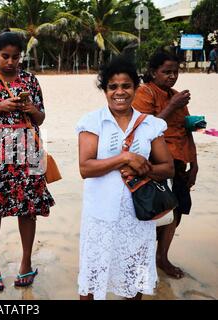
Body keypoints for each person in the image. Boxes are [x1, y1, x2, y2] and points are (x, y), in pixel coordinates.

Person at [76, 56, 174, 300]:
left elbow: (168, 168)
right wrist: (124, 158)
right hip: (100, 216)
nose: (119, 92)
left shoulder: (150, 124)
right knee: (92, 279)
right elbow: (85, 168)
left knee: (135, 280)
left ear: (135, 88)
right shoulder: (92, 121)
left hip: (138, 218)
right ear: (105, 89)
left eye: (126, 86)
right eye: (113, 87)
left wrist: (145, 169)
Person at [0, 32, 55, 291]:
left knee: (28, 208)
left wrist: (31, 110)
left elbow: (40, 118)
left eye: (15, 57)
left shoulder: (30, 80)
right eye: (5, 56)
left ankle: (25, 263)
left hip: (28, 151)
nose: (10, 61)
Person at [133, 51, 198, 279]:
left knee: (176, 213)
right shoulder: (145, 93)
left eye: (175, 72)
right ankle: (145, 259)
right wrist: (172, 104)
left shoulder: (178, 96)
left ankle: (162, 258)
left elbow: (186, 130)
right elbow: (144, 128)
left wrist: (194, 164)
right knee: (154, 213)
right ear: (153, 72)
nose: (172, 76)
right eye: (166, 72)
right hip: (156, 164)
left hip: (180, 163)